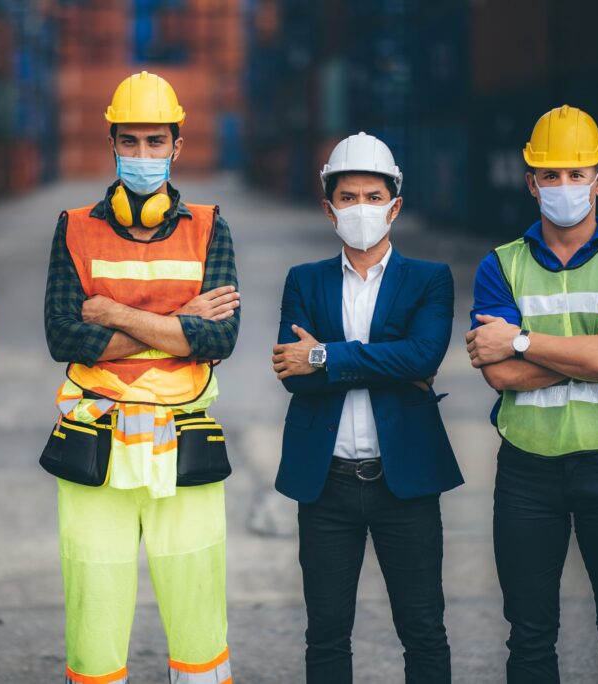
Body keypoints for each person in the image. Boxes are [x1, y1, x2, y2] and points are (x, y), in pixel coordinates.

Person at [44, 71, 240, 684]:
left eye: (156, 142)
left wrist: (111, 314)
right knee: (94, 629)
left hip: (185, 448)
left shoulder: (210, 227)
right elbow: (64, 337)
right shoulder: (74, 226)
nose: (143, 156)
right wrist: (177, 323)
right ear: (112, 144)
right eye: (130, 142)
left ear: (177, 147)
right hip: (93, 451)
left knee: (199, 625)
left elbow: (220, 338)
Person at [466, 105, 598, 683]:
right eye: (549, 175)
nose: (563, 187)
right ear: (530, 183)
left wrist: (523, 339)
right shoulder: (498, 267)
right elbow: (501, 376)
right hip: (527, 474)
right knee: (529, 641)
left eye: (576, 174)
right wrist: (596, 357)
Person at [271, 132, 463, 683]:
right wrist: (387, 363)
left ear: (395, 206)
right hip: (326, 486)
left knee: (423, 628)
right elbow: (293, 376)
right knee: (326, 634)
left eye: (373, 197)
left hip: (405, 485)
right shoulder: (303, 280)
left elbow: (424, 354)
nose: (362, 208)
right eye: (349, 197)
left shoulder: (430, 279)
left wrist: (324, 354)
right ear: (329, 209)